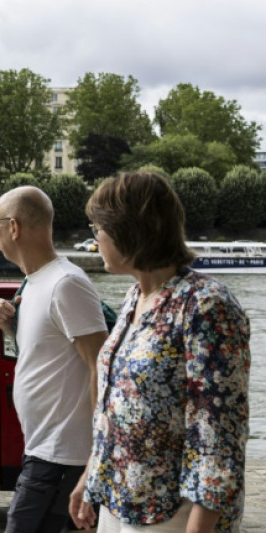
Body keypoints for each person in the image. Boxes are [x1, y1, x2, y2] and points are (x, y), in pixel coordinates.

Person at [70, 171, 250, 532]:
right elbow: (114, 407)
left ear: (128, 229)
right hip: (117, 498)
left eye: (98, 229)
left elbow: (218, 435)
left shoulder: (205, 305)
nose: (96, 239)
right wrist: (90, 477)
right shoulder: (136, 297)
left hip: (171, 512)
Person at [0, 186, 109, 533]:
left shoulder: (66, 283)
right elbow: (52, 355)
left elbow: (102, 366)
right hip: (44, 451)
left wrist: (95, 461)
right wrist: (12, 328)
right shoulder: (34, 282)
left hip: (63, 461)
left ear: (13, 227)